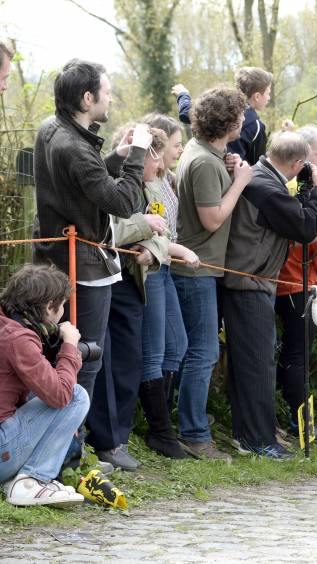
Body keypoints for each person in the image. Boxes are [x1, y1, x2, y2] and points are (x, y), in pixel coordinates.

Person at [32, 59, 150, 467]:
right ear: (87, 98)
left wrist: (115, 156)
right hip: (83, 265)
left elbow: (83, 189)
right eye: (107, 91)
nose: (111, 97)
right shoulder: (74, 146)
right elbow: (123, 202)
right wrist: (138, 153)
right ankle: (69, 452)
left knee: (54, 354)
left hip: (54, 260)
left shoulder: (52, 129)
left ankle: (62, 448)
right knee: (84, 358)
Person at [87, 126, 198, 471]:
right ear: (146, 154)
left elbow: (162, 232)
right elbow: (112, 228)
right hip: (108, 274)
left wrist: (151, 240)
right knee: (111, 359)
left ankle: (121, 435)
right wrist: (146, 226)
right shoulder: (116, 179)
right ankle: (107, 439)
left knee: (132, 357)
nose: (162, 166)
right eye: (156, 157)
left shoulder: (149, 183)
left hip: (133, 276)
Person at [221, 132, 317, 459]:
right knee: (257, 363)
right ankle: (257, 440)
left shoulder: (262, 177)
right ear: (298, 163)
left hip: (252, 281)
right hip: (249, 283)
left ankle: (250, 434)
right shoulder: (265, 187)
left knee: (252, 360)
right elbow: (306, 226)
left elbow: (295, 216)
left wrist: (310, 190)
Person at [172, 86, 252, 460]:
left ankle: (194, 427)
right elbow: (211, 218)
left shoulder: (207, 153)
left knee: (199, 351)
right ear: (230, 122)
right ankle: (194, 435)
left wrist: (230, 165)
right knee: (201, 354)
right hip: (196, 270)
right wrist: (240, 181)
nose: (245, 120)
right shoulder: (203, 161)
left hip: (204, 268)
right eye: (241, 115)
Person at [0, 265, 88, 507]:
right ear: (50, 306)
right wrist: (69, 346)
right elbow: (60, 395)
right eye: (62, 306)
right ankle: (32, 481)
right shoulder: (18, 339)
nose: (62, 312)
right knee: (76, 395)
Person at [274, 136, 317, 439]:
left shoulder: (286, 189)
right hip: (301, 286)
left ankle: (290, 419)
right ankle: (302, 425)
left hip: (278, 282)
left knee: (287, 354)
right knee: (297, 356)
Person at [137, 114, 190, 459]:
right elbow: (152, 234)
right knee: (154, 351)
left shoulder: (167, 179)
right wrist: (180, 249)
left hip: (166, 268)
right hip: (154, 268)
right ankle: (160, 431)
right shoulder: (145, 185)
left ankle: (162, 421)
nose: (178, 150)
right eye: (173, 145)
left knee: (178, 344)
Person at [173, 67, 273, 165]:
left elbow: (187, 114)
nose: (269, 98)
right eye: (268, 93)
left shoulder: (220, 109)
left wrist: (183, 95)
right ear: (257, 96)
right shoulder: (257, 127)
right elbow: (258, 166)